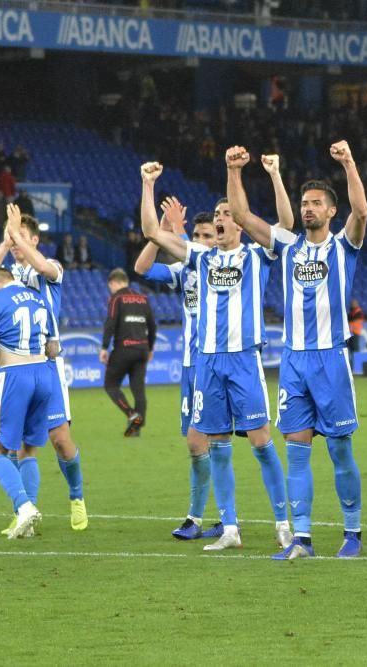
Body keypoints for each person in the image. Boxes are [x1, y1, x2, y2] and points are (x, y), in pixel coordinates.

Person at [140, 155, 295, 551]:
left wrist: (267, 174)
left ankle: (282, 522)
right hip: (207, 362)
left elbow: (287, 225)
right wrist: (148, 185)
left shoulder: (258, 256)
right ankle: (230, 528)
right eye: (220, 214)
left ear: (240, 221)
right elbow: (150, 234)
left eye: (230, 212)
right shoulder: (200, 257)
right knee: (218, 445)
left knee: (261, 442)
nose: (224, 218)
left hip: (244, 360)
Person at [225, 140, 367, 560]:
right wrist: (234, 172)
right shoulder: (287, 246)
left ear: (330, 212)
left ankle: (353, 532)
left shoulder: (344, 246)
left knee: (340, 449)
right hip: (293, 361)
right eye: (304, 202)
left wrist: (349, 162)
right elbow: (242, 216)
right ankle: (302, 539)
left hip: (331, 359)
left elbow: (361, 212)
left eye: (316, 203)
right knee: (297, 447)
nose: (307, 208)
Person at [0, 204, 87, 533]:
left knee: (61, 441)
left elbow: (42, 265)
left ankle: (77, 497)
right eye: (12, 237)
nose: (15, 243)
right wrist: (6, 240)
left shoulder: (48, 266)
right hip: (25, 365)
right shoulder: (8, 276)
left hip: (48, 364)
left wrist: (17, 237)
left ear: (36, 239)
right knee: (23, 446)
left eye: (22, 237)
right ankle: (27, 510)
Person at [135, 204, 219, 538]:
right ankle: (205, 519)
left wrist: (178, 233)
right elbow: (141, 268)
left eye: (207, 235)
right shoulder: (184, 271)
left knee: (214, 441)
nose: (200, 240)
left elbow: (198, 258)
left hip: (214, 362)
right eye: (197, 235)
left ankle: (212, 518)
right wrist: (161, 235)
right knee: (197, 444)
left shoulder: (222, 267)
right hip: (189, 365)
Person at [0, 267, 58, 538]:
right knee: (28, 450)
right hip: (45, 375)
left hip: (15, 374)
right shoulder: (39, 297)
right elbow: (53, 348)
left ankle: (23, 507)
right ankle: (29, 521)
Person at [100, 268, 155, 436]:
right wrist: (151, 347)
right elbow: (152, 326)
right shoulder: (142, 299)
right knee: (138, 390)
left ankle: (132, 415)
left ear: (113, 283)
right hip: (142, 349)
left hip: (124, 349)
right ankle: (135, 430)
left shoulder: (117, 298)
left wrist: (104, 347)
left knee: (111, 385)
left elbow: (111, 323)